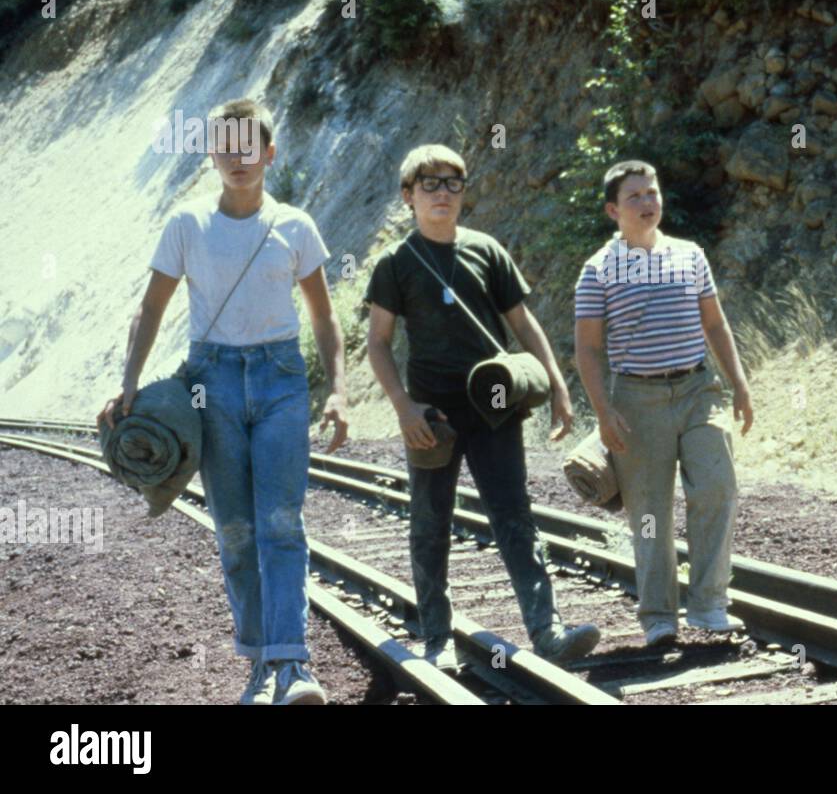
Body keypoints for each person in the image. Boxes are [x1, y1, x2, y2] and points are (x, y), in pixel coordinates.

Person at [98, 98, 349, 704]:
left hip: (281, 378)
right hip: (212, 384)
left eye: (248, 146)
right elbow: (151, 308)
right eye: (224, 146)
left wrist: (339, 389)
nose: (237, 158)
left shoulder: (295, 224)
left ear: (269, 153)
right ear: (211, 154)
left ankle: (292, 666)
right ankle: (260, 667)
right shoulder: (187, 224)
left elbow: (323, 316)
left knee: (282, 523)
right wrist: (129, 382)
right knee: (235, 530)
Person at [365, 144, 600, 667]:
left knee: (514, 516)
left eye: (453, 183)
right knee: (430, 523)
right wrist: (404, 408)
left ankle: (547, 631)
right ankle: (437, 639)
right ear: (409, 196)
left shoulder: (487, 250)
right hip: (432, 418)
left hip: (494, 407)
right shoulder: (395, 264)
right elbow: (377, 342)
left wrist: (559, 388)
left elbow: (522, 323)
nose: (443, 193)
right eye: (430, 184)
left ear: (463, 193)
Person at [573, 160, 754, 647]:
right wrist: (603, 411)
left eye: (652, 192)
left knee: (716, 485)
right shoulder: (598, 270)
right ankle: (658, 616)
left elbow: (715, 325)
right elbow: (588, 349)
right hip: (637, 399)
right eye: (634, 196)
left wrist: (738, 383)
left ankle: (710, 605)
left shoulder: (690, 255)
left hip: (698, 390)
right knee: (650, 511)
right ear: (614, 209)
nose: (647, 202)